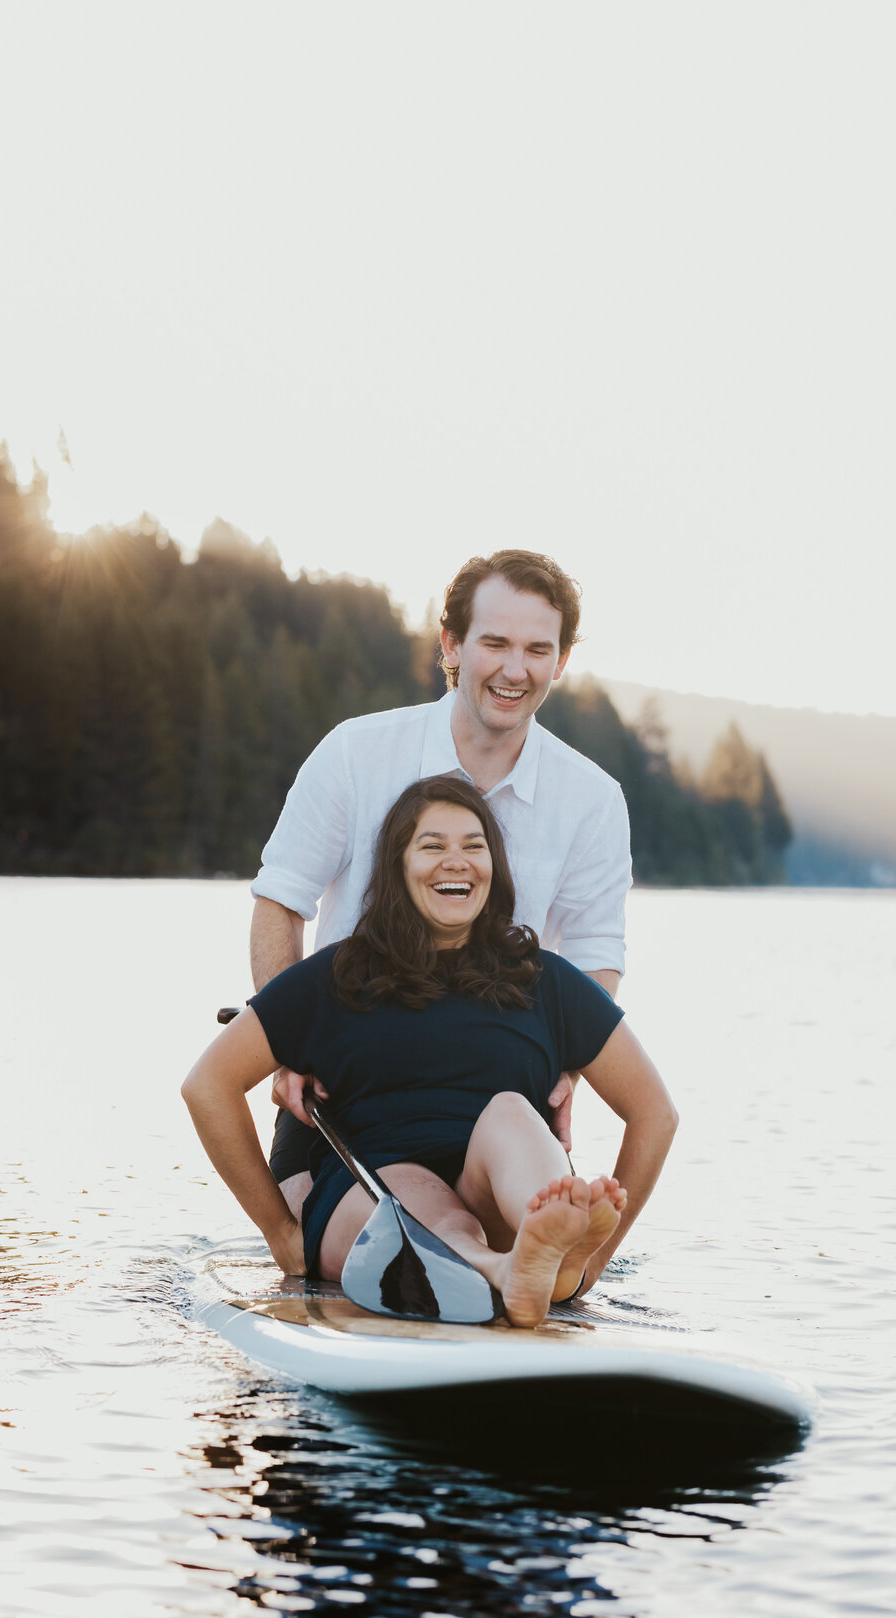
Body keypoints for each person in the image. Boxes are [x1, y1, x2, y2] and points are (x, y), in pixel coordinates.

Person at [183, 777, 678, 1328]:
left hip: (500, 1195)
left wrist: (600, 1263)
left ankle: (557, 1257)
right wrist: (280, 1233)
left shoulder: (546, 981)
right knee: (417, 1196)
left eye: (473, 846)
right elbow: (207, 1085)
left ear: (495, 866)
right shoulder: (335, 977)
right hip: (374, 1191)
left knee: (513, 1112)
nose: (456, 862)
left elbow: (655, 1112)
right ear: (398, 865)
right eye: (433, 846)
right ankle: (513, 1270)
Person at [251, 549, 634, 1222]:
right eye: (495, 644)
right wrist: (290, 1050)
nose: (515, 670)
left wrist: (567, 1067)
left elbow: (595, 952)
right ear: (451, 644)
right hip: (348, 1094)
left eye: (538, 649)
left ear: (561, 661)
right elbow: (281, 899)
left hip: (503, 1102)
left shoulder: (593, 800)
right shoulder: (355, 754)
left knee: (538, 1256)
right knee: (303, 1243)